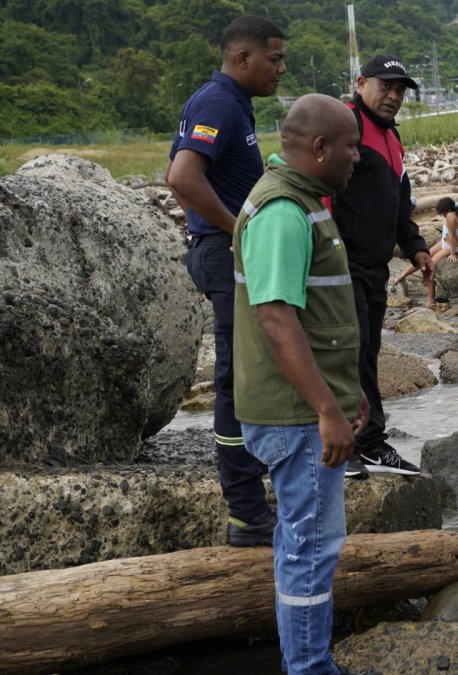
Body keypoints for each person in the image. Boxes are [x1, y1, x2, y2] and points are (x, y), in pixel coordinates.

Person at [231, 93, 378, 675]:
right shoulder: (283, 213)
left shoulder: (300, 201)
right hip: (293, 415)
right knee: (309, 550)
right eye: (349, 147)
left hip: (303, 406)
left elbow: (315, 314)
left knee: (305, 545)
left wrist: (348, 390)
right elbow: (276, 317)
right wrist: (326, 409)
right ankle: (310, 667)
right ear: (319, 148)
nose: (356, 158)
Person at [166, 15, 286, 547]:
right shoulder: (218, 103)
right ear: (243, 58)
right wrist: (233, 229)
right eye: (275, 59)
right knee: (236, 383)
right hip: (224, 255)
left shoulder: (230, 104)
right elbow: (181, 177)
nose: (282, 69)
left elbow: (182, 175)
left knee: (253, 374)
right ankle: (245, 513)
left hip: (221, 251)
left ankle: (253, 495)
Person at [329, 54, 433, 479]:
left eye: (400, 89)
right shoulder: (344, 125)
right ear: (361, 82)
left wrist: (416, 247)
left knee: (367, 351)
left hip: (374, 267)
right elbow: (321, 191)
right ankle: (348, 443)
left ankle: (369, 441)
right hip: (340, 263)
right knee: (344, 353)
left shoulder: (391, 138)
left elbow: (398, 205)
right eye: (385, 86)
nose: (393, 96)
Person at [393, 197, 458, 307]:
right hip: (445, 242)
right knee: (423, 256)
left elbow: (453, 237)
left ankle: (431, 300)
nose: (442, 215)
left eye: (442, 213)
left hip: (450, 246)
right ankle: (403, 275)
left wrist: (452, 253)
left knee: (430, 266)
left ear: (447, 211)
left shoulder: (450, 217)